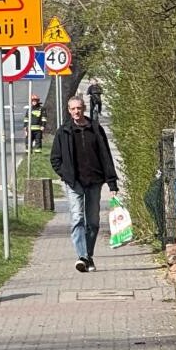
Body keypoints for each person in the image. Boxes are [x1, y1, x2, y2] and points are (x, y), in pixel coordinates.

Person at [50, 94, 118, 272]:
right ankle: (81, 256)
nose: (76, 112)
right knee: (77, 218)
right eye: (72, 109)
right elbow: (55, 159)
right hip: (74, 183)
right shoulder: (63, 132)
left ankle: (88, 255)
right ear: (68, 110)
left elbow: (106, 156)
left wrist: (112, 182)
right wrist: (66, 175)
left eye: (79, 108)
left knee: (93, 222)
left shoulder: (95, 129)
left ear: (84, 109)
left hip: (95, 181)